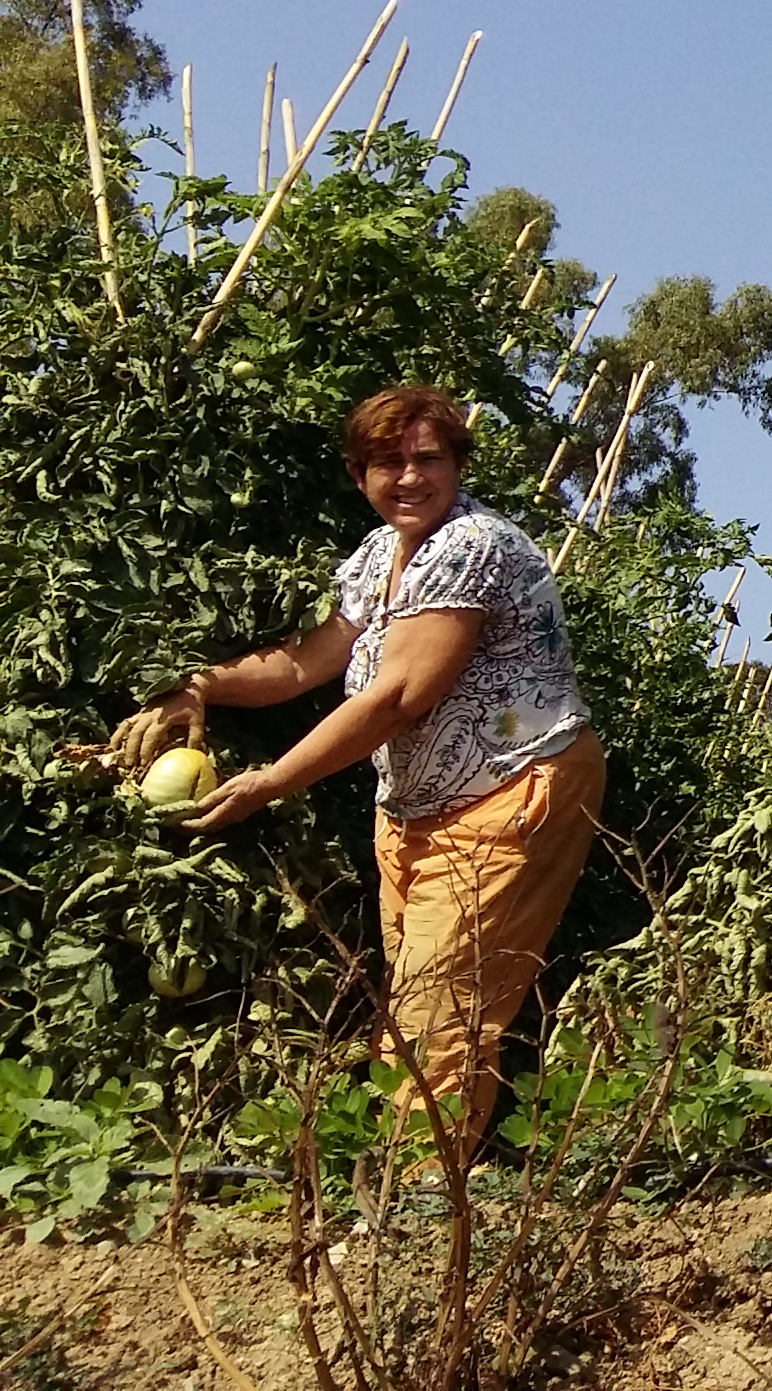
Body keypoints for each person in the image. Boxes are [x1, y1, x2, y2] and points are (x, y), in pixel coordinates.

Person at [110, 383, 603, 1146]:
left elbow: (398, 695)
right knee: (415, 1021)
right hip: (415, 815)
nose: (410, 477)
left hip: (510, 795)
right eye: (387, 462)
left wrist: (271, 782)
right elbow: (310, 662)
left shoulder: (468, 546)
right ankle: (410, 1212)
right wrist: (200, 686)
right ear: (357, 474)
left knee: (440, 1025)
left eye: (428, 459)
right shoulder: (380, 554)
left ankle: (418, 1226)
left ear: (458, 465)